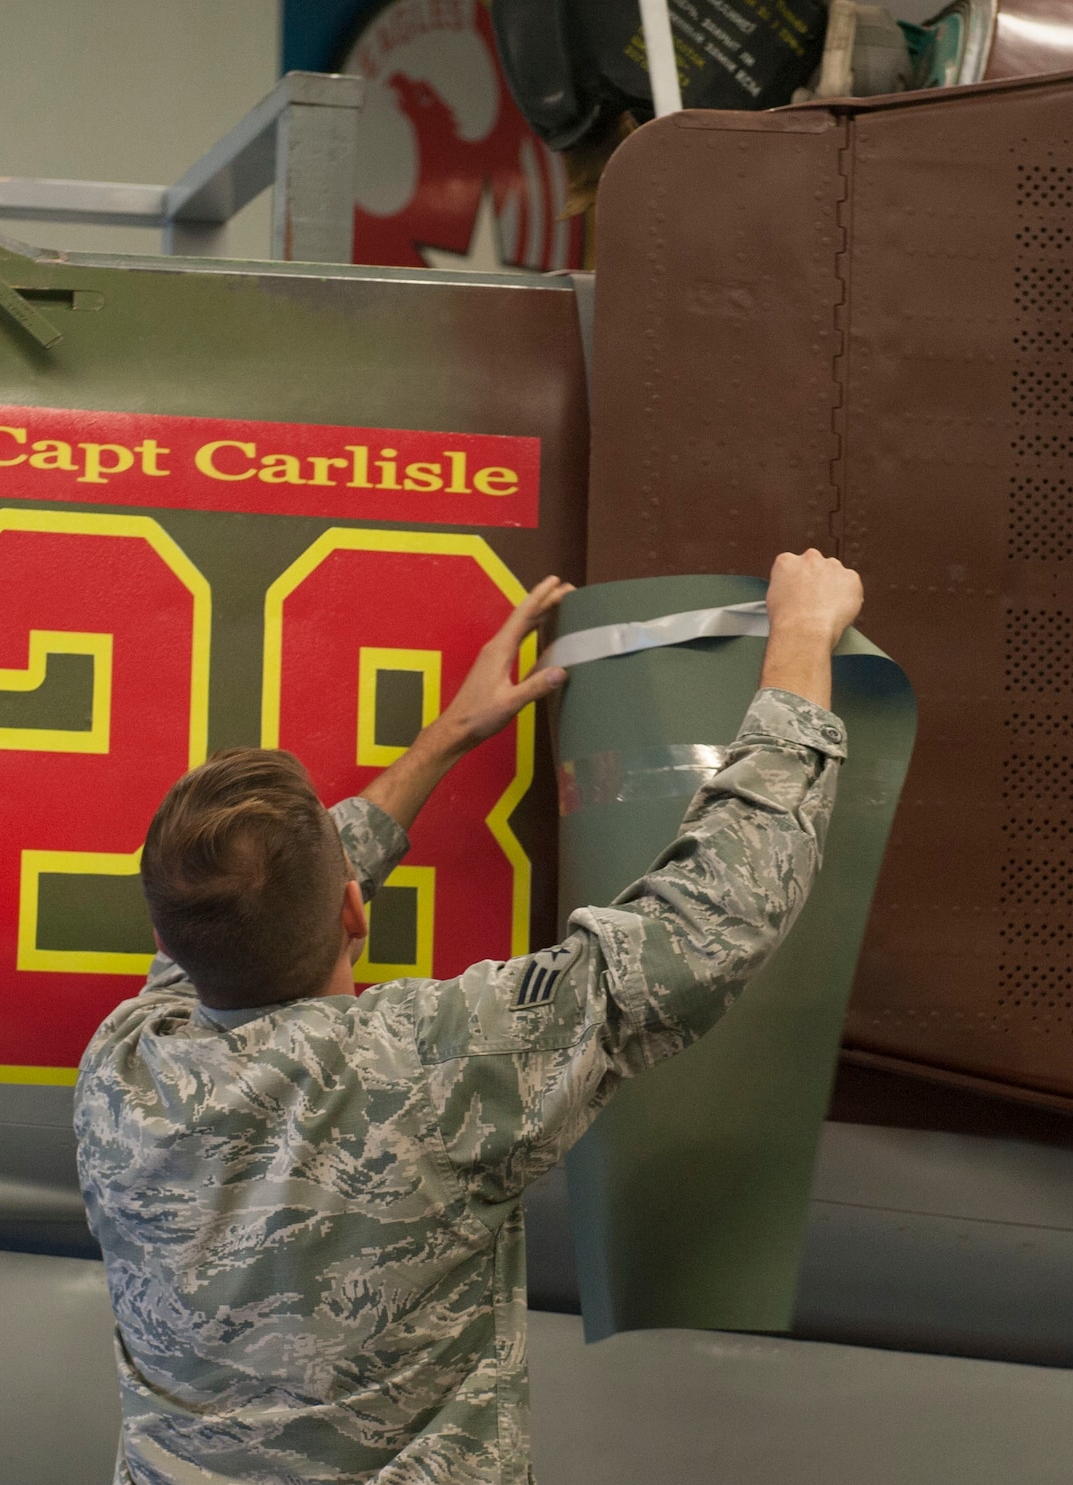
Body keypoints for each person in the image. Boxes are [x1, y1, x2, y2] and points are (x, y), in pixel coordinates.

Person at [74, 549, 863, 1485]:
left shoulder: (120, 1072)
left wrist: (449, 735)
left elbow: (242, 909)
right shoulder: (435, 1066)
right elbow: (710, 924)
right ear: (355, 911)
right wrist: (803, 641)